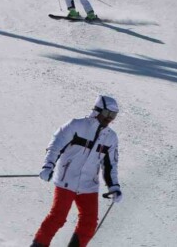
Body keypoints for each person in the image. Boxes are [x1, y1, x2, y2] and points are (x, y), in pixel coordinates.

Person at [31, 96, 123, 247]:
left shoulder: (111, 138)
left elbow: (110, 165)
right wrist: (48, 166)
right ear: (97, 110)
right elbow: (56, 145)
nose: (109, 118)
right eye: (107, 113)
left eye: (113, 115)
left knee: (89, 223)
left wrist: (114, 186)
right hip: (66, 180)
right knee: (57, 218)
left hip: (89, 185)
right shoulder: (76, 125)